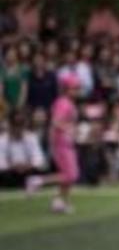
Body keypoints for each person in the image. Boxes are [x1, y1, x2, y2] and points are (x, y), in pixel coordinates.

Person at [25, 72, 81, 212]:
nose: (76, 91)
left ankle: (61, 202)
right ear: (66, 88)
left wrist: (70, 130)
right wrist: (68, 129)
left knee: (70, 175)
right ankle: (37, 181)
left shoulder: (67, 102)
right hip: (61, 143)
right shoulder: (63, 102)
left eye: (76, 88)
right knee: (70, 175)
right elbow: (55, 121)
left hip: (67, 142)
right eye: (73, 88)